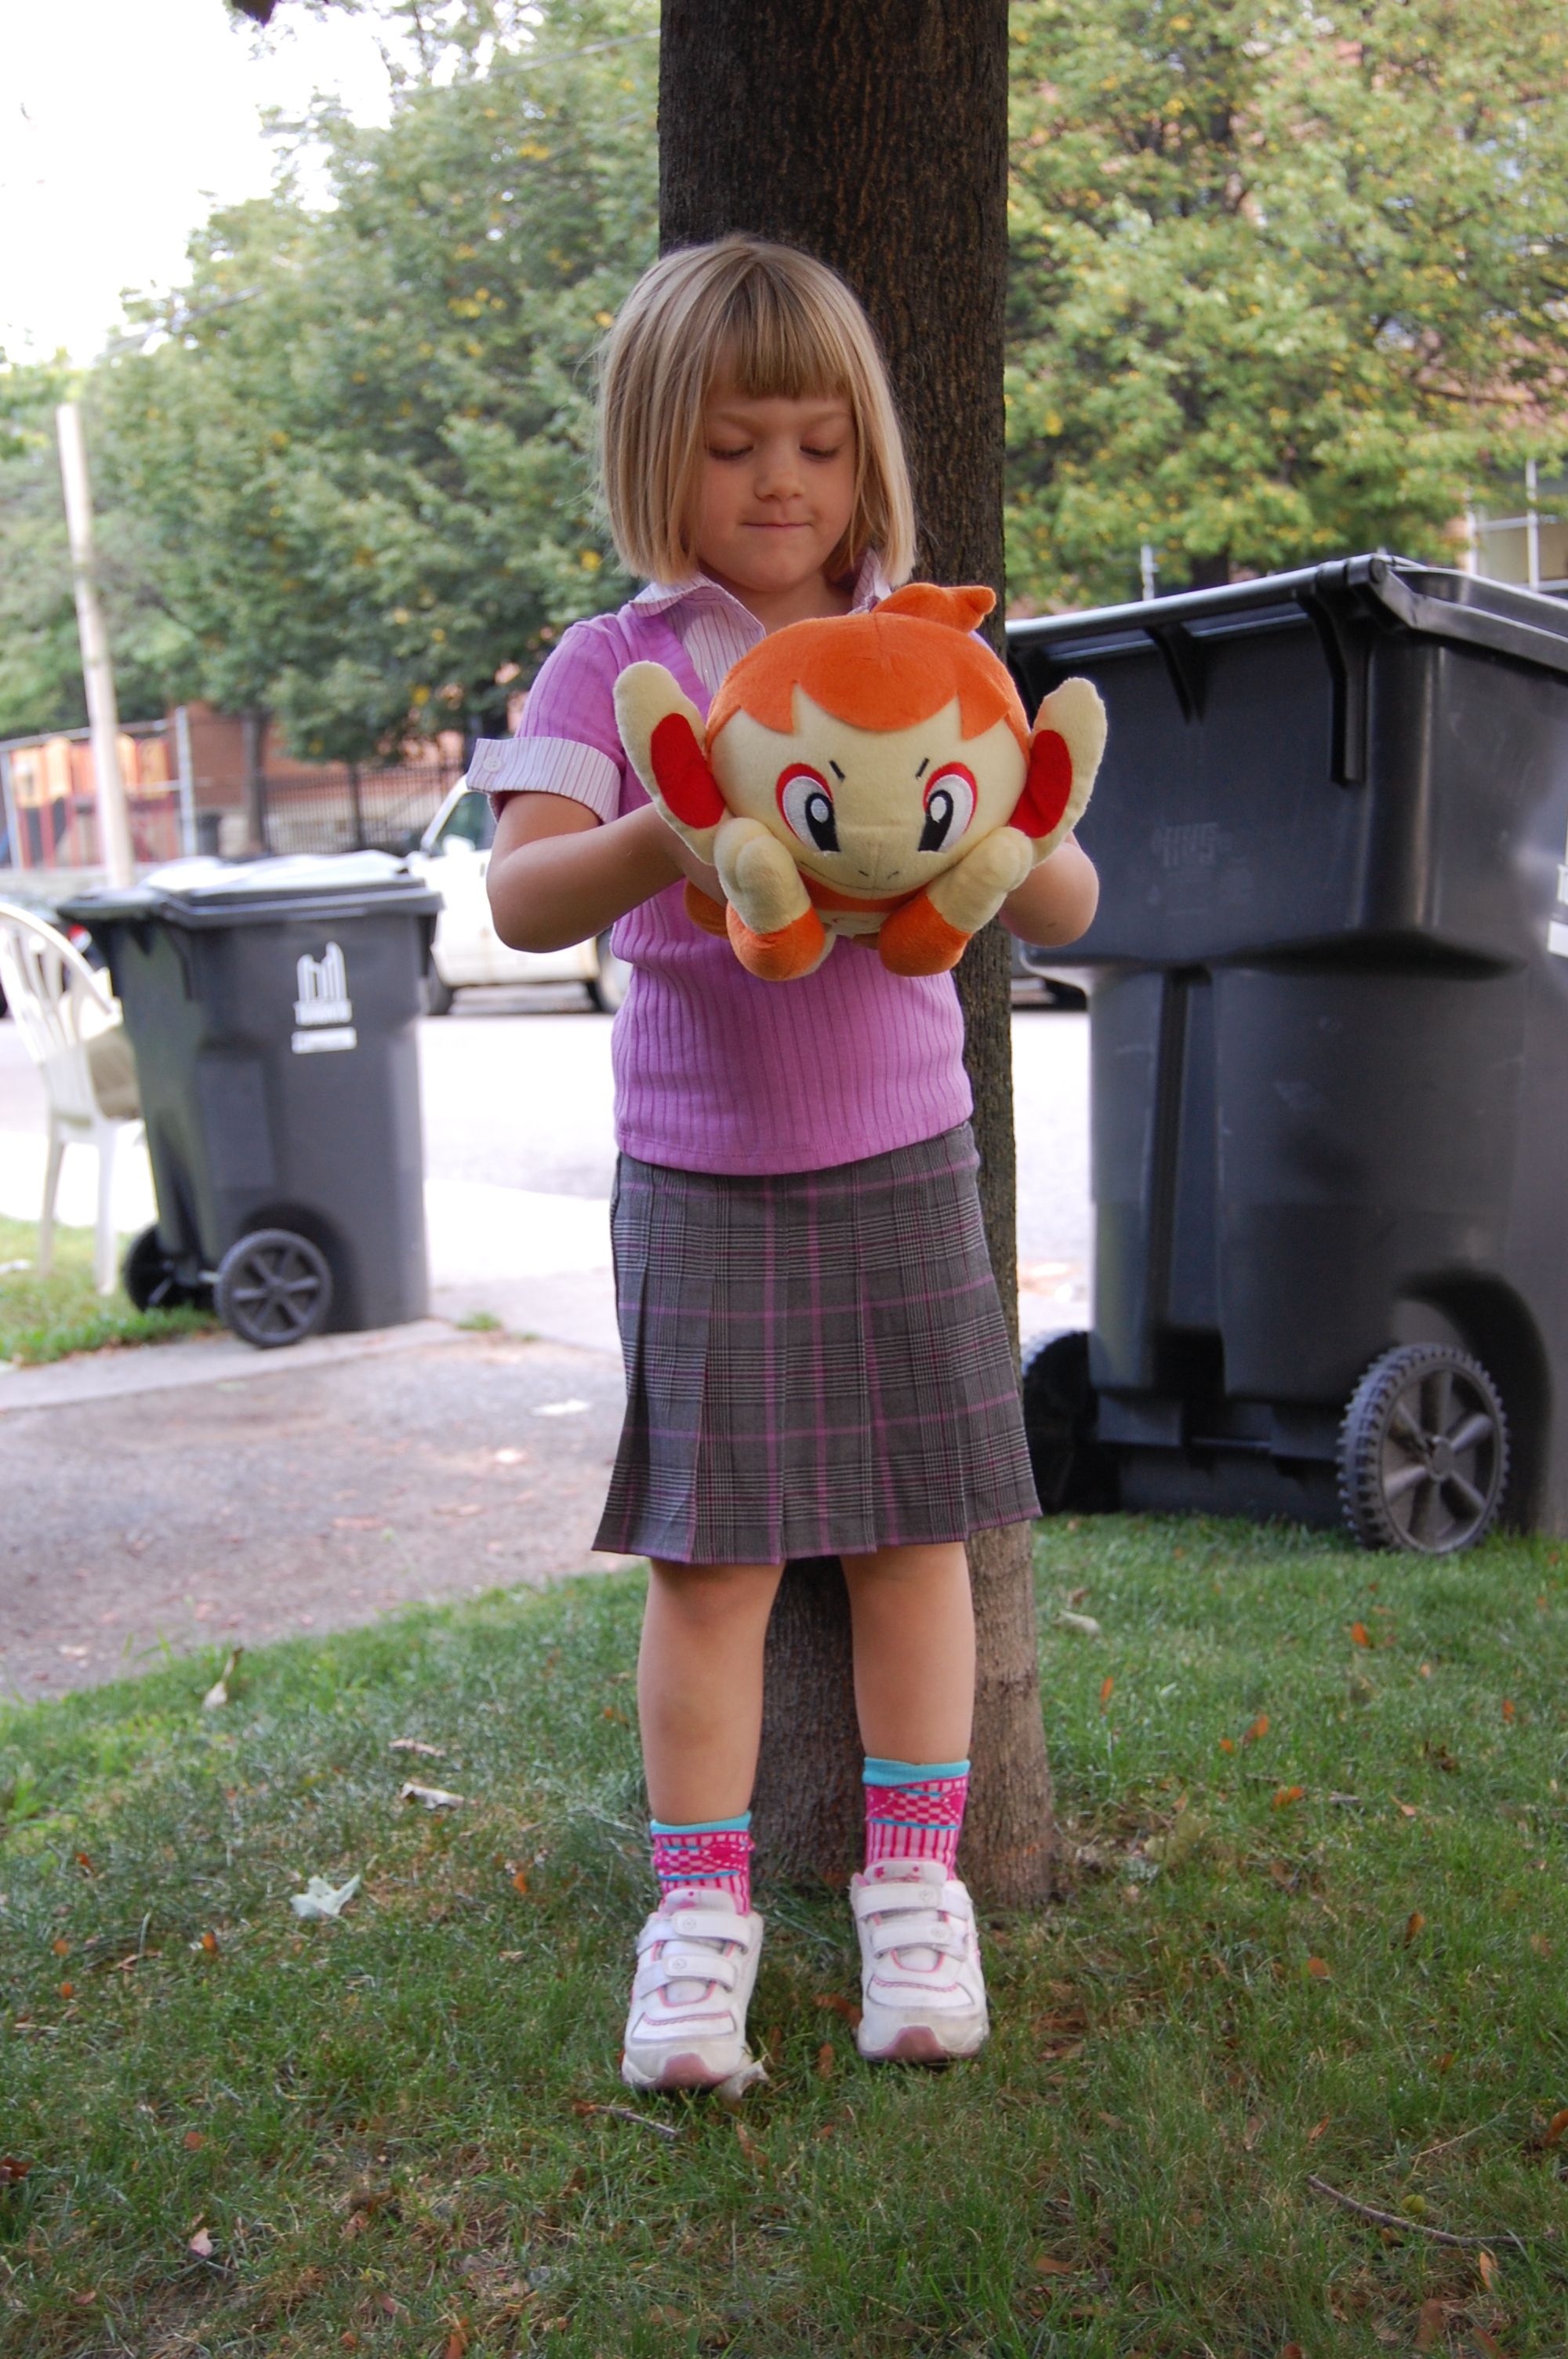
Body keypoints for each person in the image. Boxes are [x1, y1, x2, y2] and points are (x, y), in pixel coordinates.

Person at [484, 236, 1099, 2093]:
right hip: (699, 1175)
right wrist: (665, 835)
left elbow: (1065, 892)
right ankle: (699, 1916)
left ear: (867, 459)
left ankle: (914, 1887)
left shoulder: (927, 654)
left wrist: (997, 857)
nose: (781, 485)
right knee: (713, 1566)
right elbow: (519, 897)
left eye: (819, 447)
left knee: (917, 1541)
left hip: (903, 1162)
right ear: (654, 455)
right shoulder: (617, 663)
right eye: (735, 445)